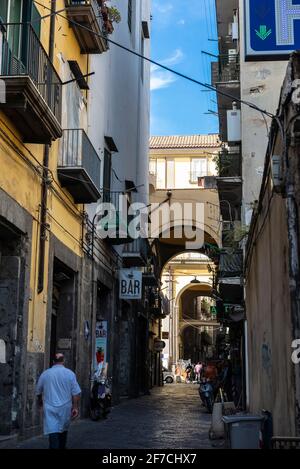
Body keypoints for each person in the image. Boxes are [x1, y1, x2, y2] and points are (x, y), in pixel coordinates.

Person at [36, 353, 81, 449]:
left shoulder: (45, 374)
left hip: (49, 407)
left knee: (53, 431)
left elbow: (38, 391)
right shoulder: (70, 374)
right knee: (63, 430)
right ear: (63, 361)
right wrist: (75, 407)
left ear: (53, 362)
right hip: (65, 407)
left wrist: (40, 402)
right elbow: (76, 393)